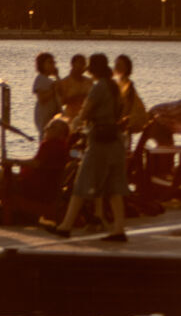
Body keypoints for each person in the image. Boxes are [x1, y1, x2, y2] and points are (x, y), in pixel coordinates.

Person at [52, 52, 129, 241]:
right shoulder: (114, 87)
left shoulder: (98, 87)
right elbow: (119, 112)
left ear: (93, 70)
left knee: (81, 182)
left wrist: (72, 125)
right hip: (116, 140)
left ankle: (66, 226)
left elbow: (85, 112)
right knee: (114, 187)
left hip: (99, 142)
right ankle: (119, 229)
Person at [0, 115, 72, 223]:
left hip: (30, 188)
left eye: (52, 127)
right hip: (46, 189)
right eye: (48, 126)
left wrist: (13, 161)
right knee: (3, 174)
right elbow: (39, 163)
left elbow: (35, 163)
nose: (46, 129)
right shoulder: (63, 147)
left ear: (61, 133)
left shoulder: (49, 145)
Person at [114, 54, 148, 135]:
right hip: (125, 119)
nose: (116, 67)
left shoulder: (128, 85)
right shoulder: (118, 82)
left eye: (119, 65)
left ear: (126, 68)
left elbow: (128, 105)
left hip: (131, 119)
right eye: (116, 64)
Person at [31, 52, 60, 136]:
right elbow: (41, 98)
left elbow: (61, 89)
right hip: (44, 115)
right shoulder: (40, 79)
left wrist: (57, 76)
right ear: (41, 65)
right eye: (50, 63)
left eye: (54, 63)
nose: (53, 65)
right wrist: (54, 90)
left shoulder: (50, 80)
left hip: (53, 114)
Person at [57, 53, 90, 123]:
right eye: (80, 63)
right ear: (72, 64)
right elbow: (60, 103)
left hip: (86, 118)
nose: (82, 66)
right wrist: (75, 98)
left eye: (84, 64)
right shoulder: (64, 82)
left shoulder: (89, 81)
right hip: (70, 118)